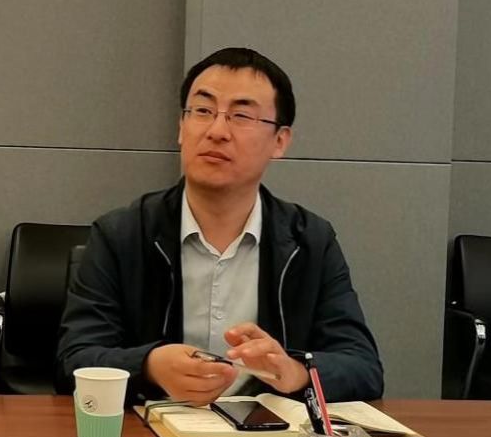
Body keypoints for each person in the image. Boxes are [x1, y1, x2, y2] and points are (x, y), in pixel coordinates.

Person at [56, 47, 384, 406]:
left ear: (280, 141)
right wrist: (148, 366)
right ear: (181, 127)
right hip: (151, 431)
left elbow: (363, 368)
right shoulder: (123, 234)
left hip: (267, 434)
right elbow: (74, 359)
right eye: (202, 111)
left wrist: (296, 372)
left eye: (241, 116)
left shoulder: (310, 242)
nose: (217, 131)